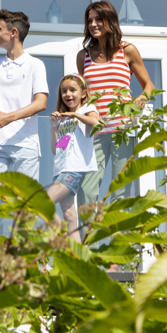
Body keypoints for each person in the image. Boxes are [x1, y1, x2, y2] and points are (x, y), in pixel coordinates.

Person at [0, 9, 49, 235]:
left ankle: (20, 257)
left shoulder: (35, 65)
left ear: (13, 32)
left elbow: (40, 103)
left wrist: (8, 117)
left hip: (26, 145)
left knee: (24, 206)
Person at [76, 0, 155, 213]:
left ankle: (118, 243)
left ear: (110, 20)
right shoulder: (83, 56)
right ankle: (86, 243)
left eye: (98, 19)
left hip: (123, 131)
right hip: (95, 132)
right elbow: (84, 96)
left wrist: (141, 100)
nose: (93, 24)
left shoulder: (127, 51)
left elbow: (148, 86)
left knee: (120, 192)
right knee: (86, 190)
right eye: (90, 20)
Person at [48, 74, 99, 239]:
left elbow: (96, 123)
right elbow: (56, 149)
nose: (68, 94)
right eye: (64, 91)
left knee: (41, 204)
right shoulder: (63, 118)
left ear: (83, 93)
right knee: (69, 216)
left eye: (72, 90)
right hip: (61, 170)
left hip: (72, 171)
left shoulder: (86, 109)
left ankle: (63, 238)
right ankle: (77, 254)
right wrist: (54, 128)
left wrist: (76, 115)